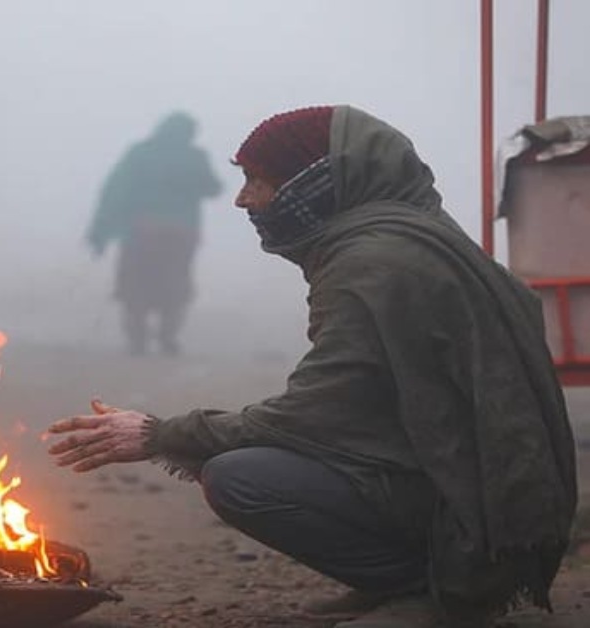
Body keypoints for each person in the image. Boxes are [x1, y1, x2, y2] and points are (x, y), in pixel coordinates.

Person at [47, 106, 577, 628]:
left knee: (239, 478)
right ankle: (407, 576)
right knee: (156, 296)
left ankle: (431, 589)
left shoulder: (371, 264)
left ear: (316, 183)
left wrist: (158, 434)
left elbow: (316, 413)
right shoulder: (413, 237)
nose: (242, 199)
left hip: (474, 510)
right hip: (481, 487)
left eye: (258, 180)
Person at [86, 112, 221, 356]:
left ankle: (137, 340)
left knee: (134, 285)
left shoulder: (140, 154)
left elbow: (115, 191)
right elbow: (213, 188)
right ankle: (167, 337)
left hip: (140, 232)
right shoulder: (194, 157)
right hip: (181, 234)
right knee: (175, 284)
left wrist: (100, 231)